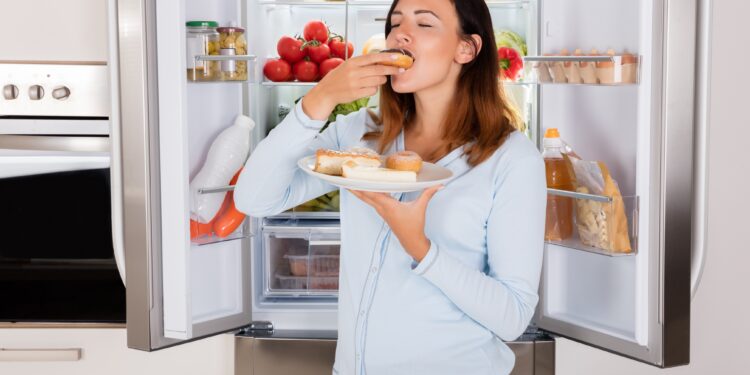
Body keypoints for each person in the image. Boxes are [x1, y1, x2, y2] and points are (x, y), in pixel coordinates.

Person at [234, 0, 546, 373]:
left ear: (467, 48)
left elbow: (512, 316)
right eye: (395, 23)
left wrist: (421, 249)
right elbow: (254, 198)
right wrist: (321, 97)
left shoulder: (512, 159)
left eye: (424, 24)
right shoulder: (361, 135)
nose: (400, 34)